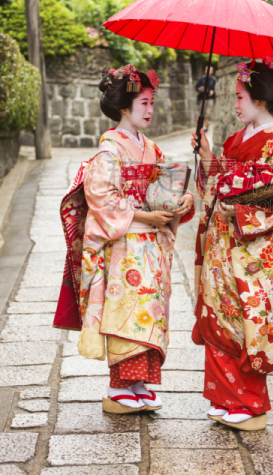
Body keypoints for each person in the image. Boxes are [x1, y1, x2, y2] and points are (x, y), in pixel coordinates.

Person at [54, 64, 195, 414]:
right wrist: (146, 216)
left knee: (151, 310)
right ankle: (119, 386)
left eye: (152, 103)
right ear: (124, 107)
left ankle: (140, 384)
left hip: (152, 245)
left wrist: (182, 199)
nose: (150, 110)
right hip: (123, 244)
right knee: (126, 311)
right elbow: (102, 199)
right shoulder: (110, 150)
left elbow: (166, 186)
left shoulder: (152, 148)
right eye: (144, 103)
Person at [191, 58, 273, 431]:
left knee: (247, 319)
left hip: (250, 247)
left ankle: (249, 402)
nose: (235, 104)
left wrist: (240, 211)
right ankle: (225, 398)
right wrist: (206, 154)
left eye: (240, 97)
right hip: (222, 244)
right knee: (219, 316)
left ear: (260, 100)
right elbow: (220, 180)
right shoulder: (238, 138)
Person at [195, 65, 217, 132]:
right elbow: (196, 87)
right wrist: (199, 89)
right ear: (205, 71)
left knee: (208, 113)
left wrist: (213, 91)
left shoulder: (214, 80)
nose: (209, 71)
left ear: (212, 71)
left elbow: (217, 89)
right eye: (207, 70)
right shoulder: (201, 79)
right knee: (202, 113)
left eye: (210, 70)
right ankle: (204, 125)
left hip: (210, 98)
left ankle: (205, 126)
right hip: (202, 98)